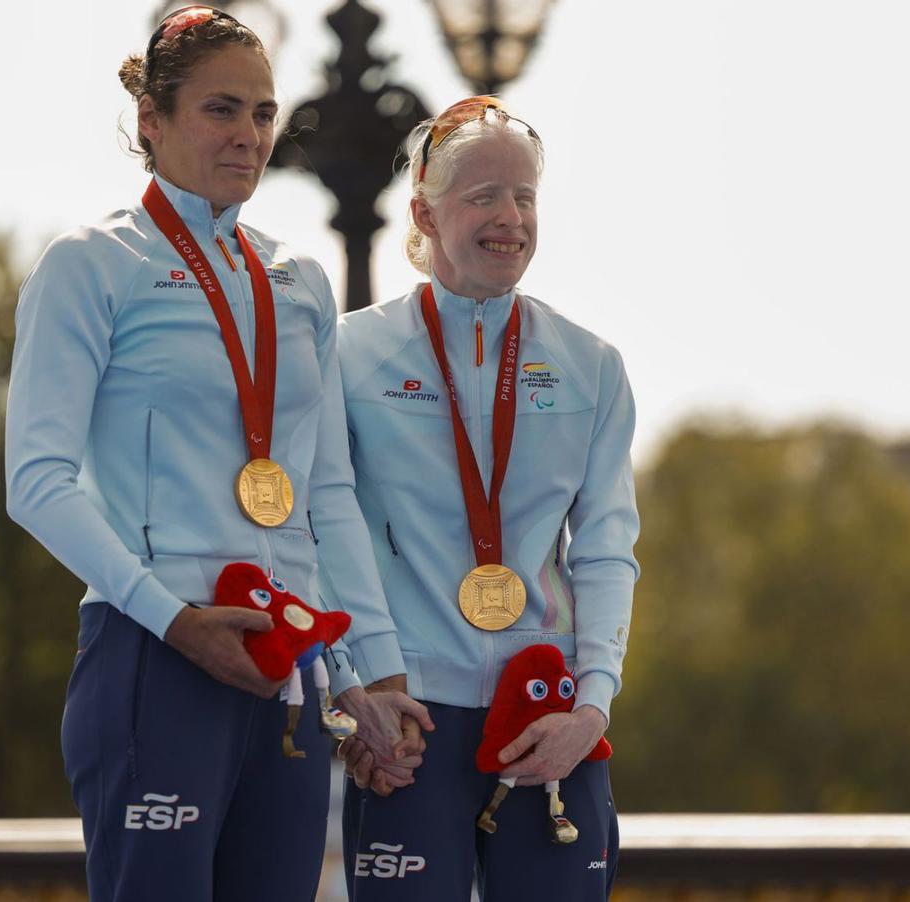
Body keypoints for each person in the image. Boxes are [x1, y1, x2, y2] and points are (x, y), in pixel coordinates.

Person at [4, 7, 429, 900]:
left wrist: (370, 678)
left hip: (291, 669)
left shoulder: (300, 279)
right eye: (221, 109)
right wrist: (174, 621)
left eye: (264, 113)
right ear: (151, 120)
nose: (249, 135)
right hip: (153, 654)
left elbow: (327, 495)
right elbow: (36, 483)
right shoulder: (91, 263)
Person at [331, 96, 640, 901]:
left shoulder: (590, 365)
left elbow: (607, 552)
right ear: (423, 213)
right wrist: (356, 688)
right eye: (484, 197)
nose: (511, 218)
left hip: (547, 716)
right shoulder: (348, 354)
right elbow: (322, 533)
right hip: (410, 719)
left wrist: (592, 710)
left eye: (525, 197)